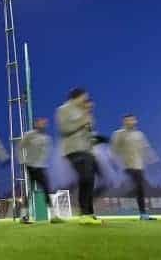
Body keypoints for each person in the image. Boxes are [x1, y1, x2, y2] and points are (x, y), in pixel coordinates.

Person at [56, 88, 101, 225]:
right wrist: (82, 120)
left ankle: (89, 213)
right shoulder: (63, 109)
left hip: (87, 150)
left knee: (89, 180)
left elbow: (89, 131)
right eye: (84, 97)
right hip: (73, 150)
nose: (85, 100)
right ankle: (84, 213)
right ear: (77, 97)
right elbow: (64, 129)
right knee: (86, 176)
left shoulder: (84, 111)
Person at [111, 114, 158, 221]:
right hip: (126, 166)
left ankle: (143, 214)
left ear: (135, 121)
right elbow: (114, 150)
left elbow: (146, 148)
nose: (129, 122)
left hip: (138, 165)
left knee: (140, 188)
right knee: (136, 186)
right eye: (127, 120)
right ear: (123, 122)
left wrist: (153, 160)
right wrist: (113, 162)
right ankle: (128, 195)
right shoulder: (118, 134)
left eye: (131, 120)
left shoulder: (139, 134)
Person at [17, 118, 63, 224]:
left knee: (46, 189)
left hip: (41, 167)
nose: (42, 124)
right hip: (31, 166)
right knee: (30, 191)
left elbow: (45, 152)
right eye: (40, 123)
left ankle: (53, 216)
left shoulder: (46, 138)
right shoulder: (29, 135)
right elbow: (20, 147)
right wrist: (22, 160)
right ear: (35, 124)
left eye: (44, 123)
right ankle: (24, 216)